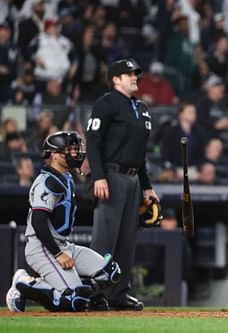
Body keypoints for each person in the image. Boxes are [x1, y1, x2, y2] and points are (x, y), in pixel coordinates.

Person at [5, 131, 122, 312]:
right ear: (54, 155)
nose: (74, 154)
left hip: (64, 245)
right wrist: (58, 254)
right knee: (74, 301)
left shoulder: (67, 177)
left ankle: (78, 290)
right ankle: (24, 284)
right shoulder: (46, 182)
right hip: (42, 248)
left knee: (110, 273)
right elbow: (39, 222)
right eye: (69, 150)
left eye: (75, 149)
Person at [86, 58, 159, 311]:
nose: (134, 77)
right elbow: (93, 141)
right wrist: (98, 176)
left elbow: (140, 153)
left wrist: (147, 186)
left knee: (127, 240)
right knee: (105, 239)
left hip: (133, 179)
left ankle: (118, 294)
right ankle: (95, 293)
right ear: (115, 79)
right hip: (112, 175)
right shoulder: (106, 103)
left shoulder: (141, 108)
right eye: (128, 74)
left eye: (135, 73)